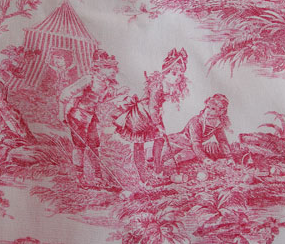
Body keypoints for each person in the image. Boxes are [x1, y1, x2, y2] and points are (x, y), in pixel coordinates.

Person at [115, 48, 188, 185]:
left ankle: (158, 170)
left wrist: (159, 120)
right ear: (165, 72)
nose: (177, 77)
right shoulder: (157, 86)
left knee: (160, 139)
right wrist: (158, 124)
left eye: (180, 75)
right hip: (141, 116)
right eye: (174, 73)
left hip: (153, 115)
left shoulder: (169, 86)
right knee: (139, 144)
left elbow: (158, 107)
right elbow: (153, 106)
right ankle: (143, 177)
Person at [58, 49, 120, 187]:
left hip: (91, 118)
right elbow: (65, 94)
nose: (113, 71)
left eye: (114, 68)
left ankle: (98, 178)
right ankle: (80, 179)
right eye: (109, 67)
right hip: (78, 116)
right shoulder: (89, 79)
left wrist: (117, 94)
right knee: (79, 146)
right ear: (99, 68)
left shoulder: (105, 83)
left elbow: (99, 100)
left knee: (94, 146)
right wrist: (61, 114)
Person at [167, 93, 231, 166]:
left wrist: (229, 157)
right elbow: (196, 143)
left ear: (221, 111)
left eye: (213, 108)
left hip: (190, 148)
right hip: (176, 142)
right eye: (207, 107)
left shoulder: (218, 125)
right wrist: (204, 159)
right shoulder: (196, 121)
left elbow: (222, 141)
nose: (208, 110)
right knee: (165, 156)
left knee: (190, 154)